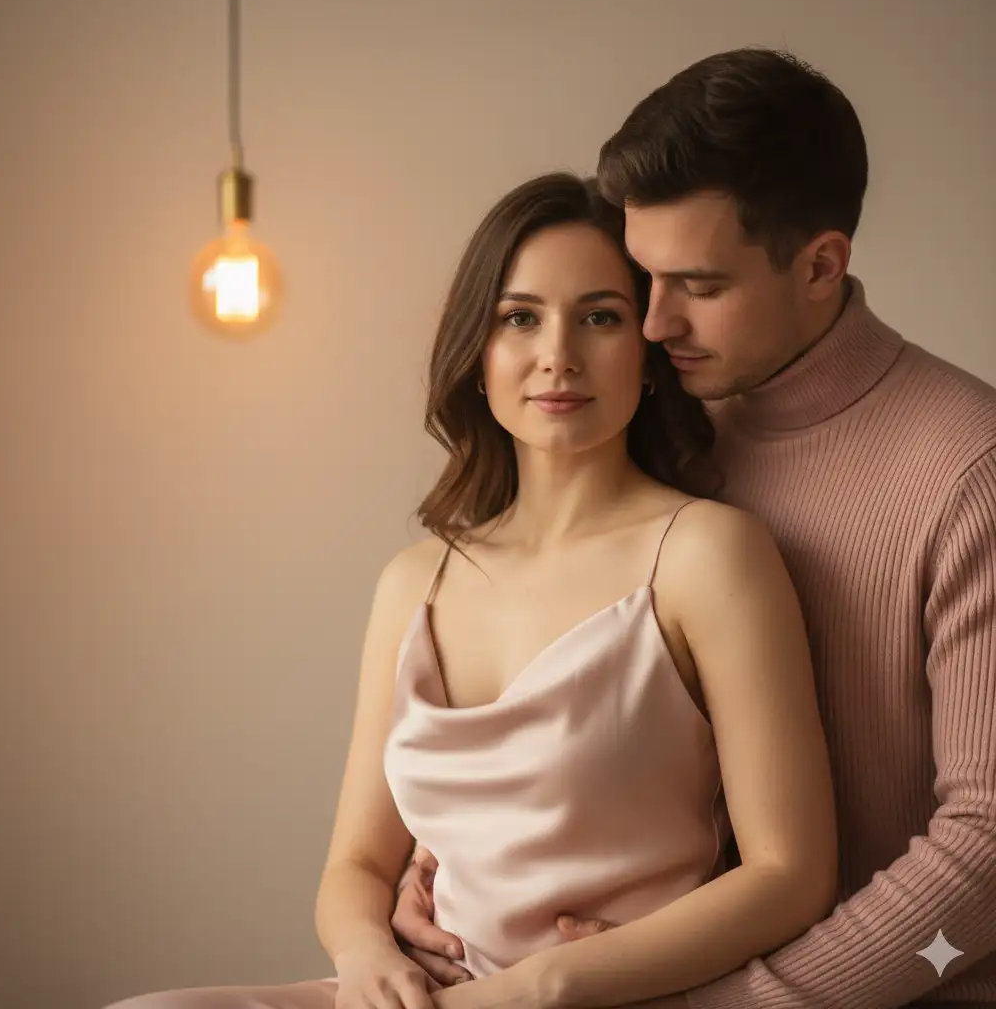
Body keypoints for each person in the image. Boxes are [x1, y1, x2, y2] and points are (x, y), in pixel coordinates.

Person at [105, 173, 840, 1009]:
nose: (557, 354)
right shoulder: (416, 581)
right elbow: (355, 865)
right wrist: (365, 953)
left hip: (594, 996)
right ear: (478, 357)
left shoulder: (707, 554)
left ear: (648, 356)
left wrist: (544, 986)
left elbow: (792, 874)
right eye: (519, 318)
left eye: (600, 317)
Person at [394, 49, 996, 1009]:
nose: (653, 320)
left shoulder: (971, 467)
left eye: (698, 286)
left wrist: (735, 1002)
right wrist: (438, 866)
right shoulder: (657, 430)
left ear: (821, 264)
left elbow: (988, 850)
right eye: (643, 280)